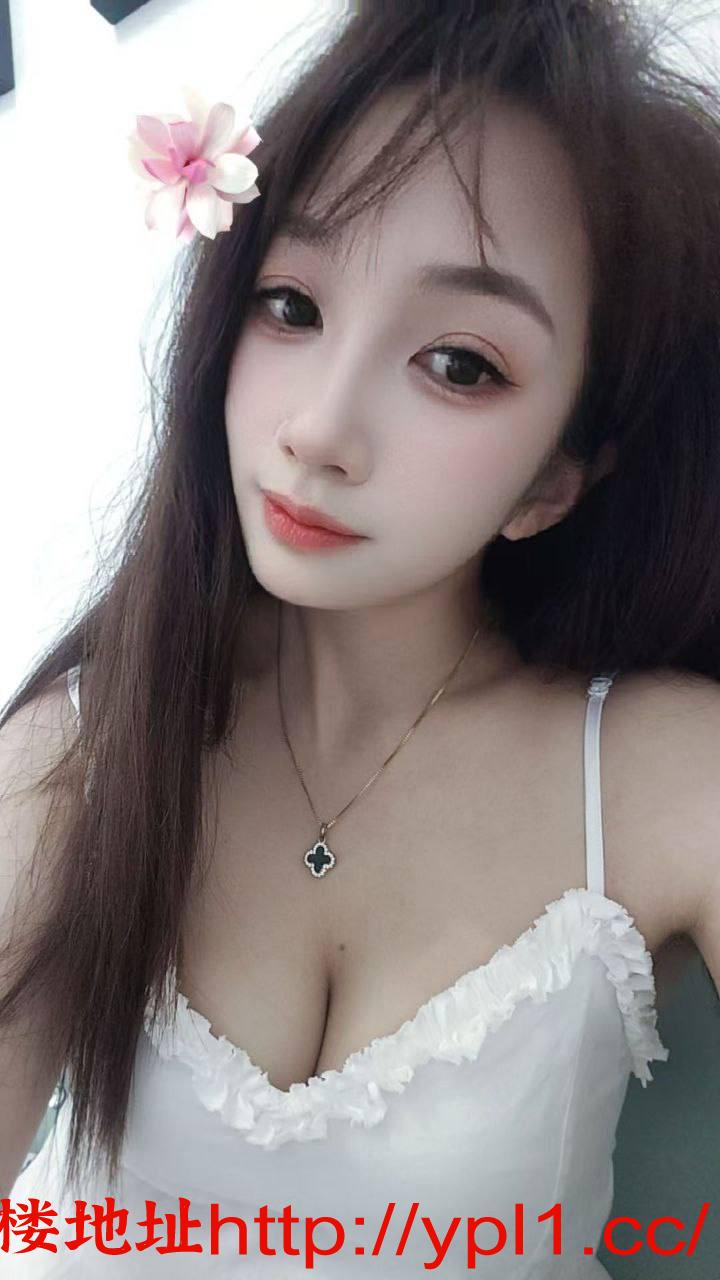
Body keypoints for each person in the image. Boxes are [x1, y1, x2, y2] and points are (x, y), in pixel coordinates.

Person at [1, 0, 719, 1274]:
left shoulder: (665, 779)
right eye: (290, 302)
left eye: (459, 363)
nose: (320, 428)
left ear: (558, 476)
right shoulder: (88, 748)